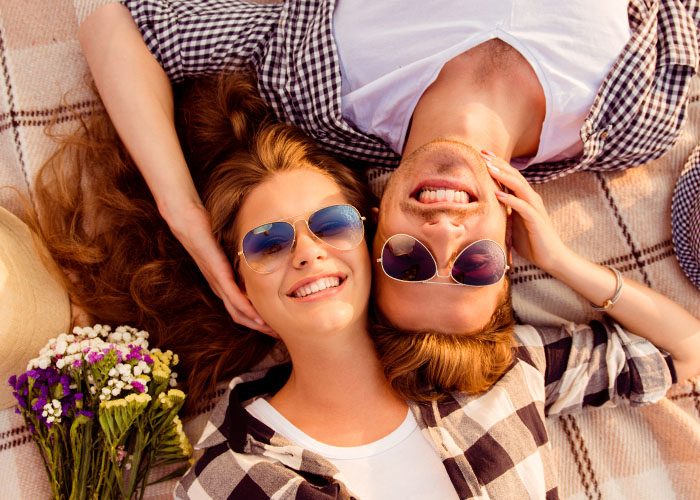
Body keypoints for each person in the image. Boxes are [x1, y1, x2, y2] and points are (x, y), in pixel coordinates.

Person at [32, 70, 700, 498]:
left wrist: (559, 259)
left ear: (374, 238)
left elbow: (686, 354)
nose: (306, 252)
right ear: (236, 285)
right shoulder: (223, 474)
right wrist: (185, 217)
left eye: (329, 224)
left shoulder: (497, 375)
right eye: (266, 242)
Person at [79, 0, 700, 334]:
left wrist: (186, 217)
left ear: (371, 225)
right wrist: (564, 262)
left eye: (407, 260)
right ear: (509, 251)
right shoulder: (633, 122)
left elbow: (113, 16)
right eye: (475, 266)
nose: (442, 232)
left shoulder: (317, 89)